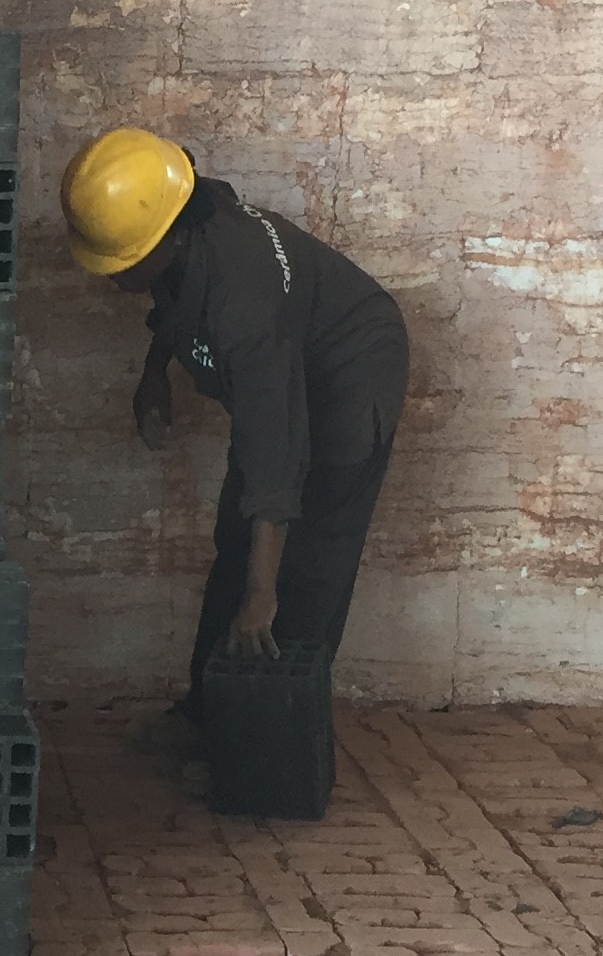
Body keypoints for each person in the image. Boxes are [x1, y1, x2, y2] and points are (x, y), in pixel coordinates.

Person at [63, 129, 410, 712]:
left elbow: (274, 457)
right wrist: (155, 376)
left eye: (121, 261)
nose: (108, 275)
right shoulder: (188, 213)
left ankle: (274, 734)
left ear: (162, 240)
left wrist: (260, 595)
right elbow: (175, 303)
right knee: (239, 536)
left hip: (353, 371)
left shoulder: (244, 308)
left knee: (308, 558)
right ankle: (207, 711)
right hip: (283, 364)